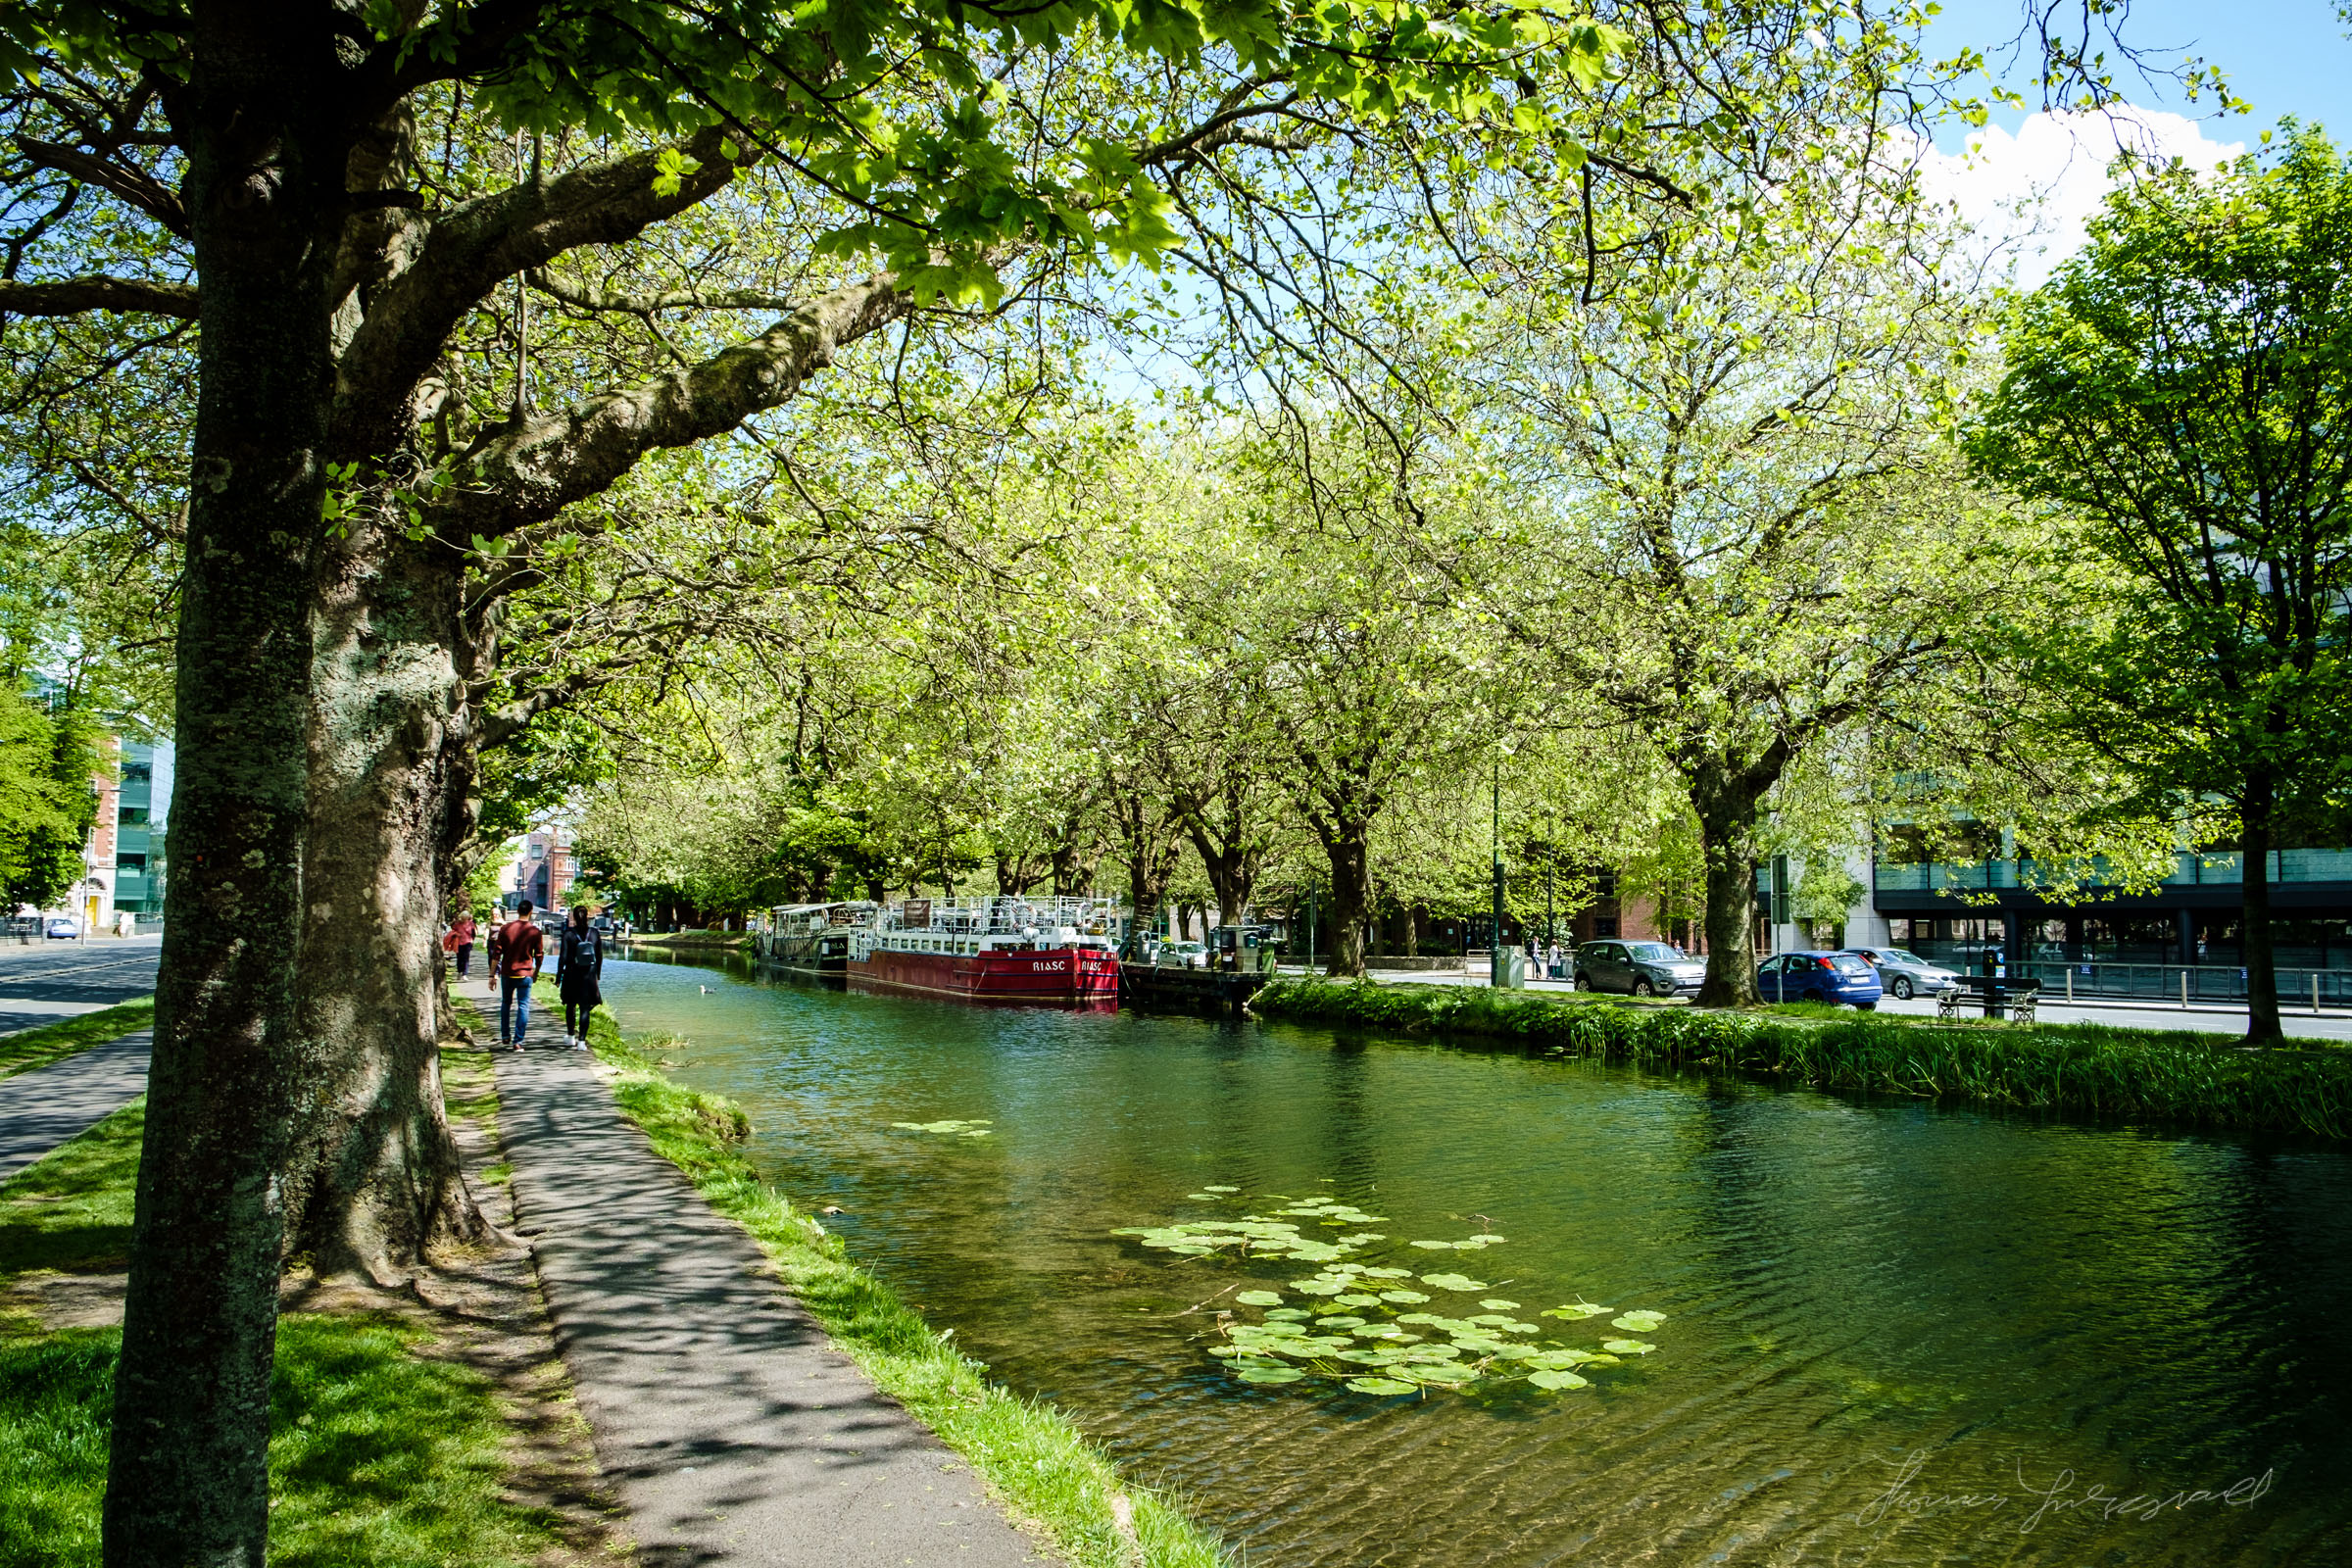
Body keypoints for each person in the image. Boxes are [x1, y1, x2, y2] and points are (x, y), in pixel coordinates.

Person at [494, 900, 545, 1050]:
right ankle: (518, 1041)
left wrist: (492, 975)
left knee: (505, 1003)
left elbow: (497, 953)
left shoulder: (506, 928)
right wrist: (536, 972)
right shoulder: (535, 931)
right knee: (523, 1005)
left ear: (517, 911)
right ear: (530, 912)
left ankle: (505, 1035)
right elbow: (539, 955)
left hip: (508, 972)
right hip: (525, 973)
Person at [556, 905, 605, 1052]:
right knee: (585, 1008)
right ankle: (582, 1041)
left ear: (574, 917)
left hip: (571, 974)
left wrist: (559, 976)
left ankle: (571, 1036)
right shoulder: (594, 933)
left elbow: (562, 957)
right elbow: (599, 956)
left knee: (570, 1006)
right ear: (587, 916)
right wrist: (597, 974)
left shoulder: (568, 933)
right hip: (588, 975)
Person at [448, 910, 477, 979]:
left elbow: (473, 933)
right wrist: (455, 934)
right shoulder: (457, 924)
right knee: (459, 958)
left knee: (466, 958)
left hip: (468, 942)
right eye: (463, 917)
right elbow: (453, 931)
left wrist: (472, 940)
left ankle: (464, 974)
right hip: (459, 943)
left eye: (465, 917)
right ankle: (459, 972)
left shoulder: (471, 924)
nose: (464, 919)